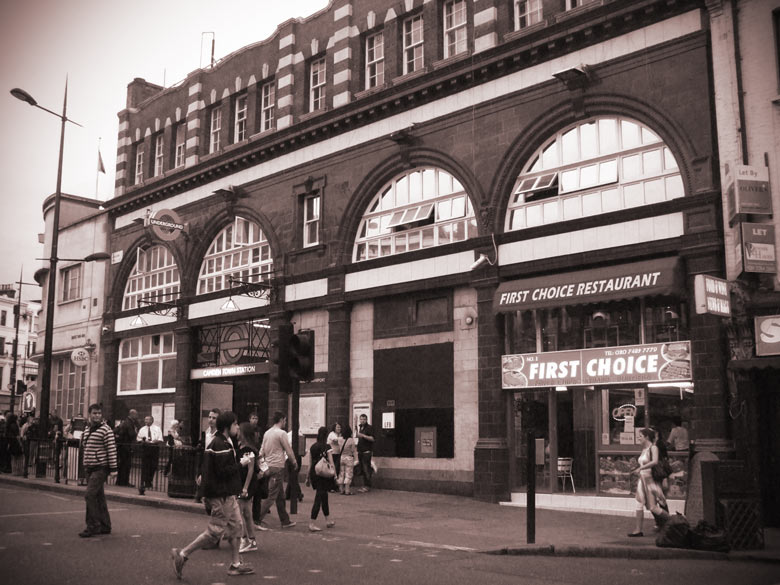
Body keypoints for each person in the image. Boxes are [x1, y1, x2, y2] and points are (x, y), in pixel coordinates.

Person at [171, 411, 254, 579]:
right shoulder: (220, 444)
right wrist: (242, 463)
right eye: (235, 424)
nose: (237, 427)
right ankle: (183, 554)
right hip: (221, 495)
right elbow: (223, 472)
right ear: (227, 427)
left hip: (228, 495)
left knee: (237, 527)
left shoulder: (223, 441)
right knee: (214, 532)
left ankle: (235, 564)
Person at [79, 404, 118, 537]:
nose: (97, 415)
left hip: (101, 467)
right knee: (99, 497)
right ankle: (105, 525)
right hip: (89, 467)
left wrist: (113, 469)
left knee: (89, 495)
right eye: (94, 413)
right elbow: (85, 447)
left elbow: (111, 450)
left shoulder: (106, 430)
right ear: (89, 414)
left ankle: (93, 526)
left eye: (99, 413)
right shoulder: (87, 429)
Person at [255, 411, 297, 530]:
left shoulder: (267, 433)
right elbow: (288, 449)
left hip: (269, 465)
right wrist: (294, 461)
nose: (285, 422)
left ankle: (285, 520)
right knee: (272, 496)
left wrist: (261, 464)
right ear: (282, 420)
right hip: (278, 466)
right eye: (285, 420)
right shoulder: (281, 433)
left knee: (280, 495)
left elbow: (262, 450)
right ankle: (257, 519)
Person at [628, 427, 669, 537]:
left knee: (652, 507)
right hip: (643, 479)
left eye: (640, 436)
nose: (639, 438)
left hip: (650, 480)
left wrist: (640, 468)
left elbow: (655, 461)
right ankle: (638, 530)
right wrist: (638, 469)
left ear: (646, 437)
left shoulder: (653, 447)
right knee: (639, 503)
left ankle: (673, 521)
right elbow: (643, 463)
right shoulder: (644, 449)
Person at [308, 426, 336, 532]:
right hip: (323, 474)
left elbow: (310, 463)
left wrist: (307, 477)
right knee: (319, 497)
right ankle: (312, 522)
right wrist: (334, 473)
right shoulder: (327, 446)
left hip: (314, 473)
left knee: (324, 496)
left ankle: (328, 519)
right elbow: (331, 461)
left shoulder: (313, 447)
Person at [236, 422, 259, 553]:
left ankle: (244, 539)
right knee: (247, 513)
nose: (237, 432)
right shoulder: (242, 446)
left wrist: (245, 488)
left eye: (239, 430)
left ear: (244, 434)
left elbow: (250, 470)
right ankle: (252, 539)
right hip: (245, 482)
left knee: (240, 512)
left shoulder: (248, 450)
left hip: (246, 484)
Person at [136, 415, 163, 495]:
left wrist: (156, 441)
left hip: (154, 448)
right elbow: (138, 439)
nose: (146, 421)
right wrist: (143, 441)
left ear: (152, 420)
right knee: (145, 465)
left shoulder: (157, 429)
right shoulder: (142, 429)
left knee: (153, 465)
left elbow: (160, 438)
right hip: (146, 448)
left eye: (147, 419)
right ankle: (146, 482)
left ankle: (149, 479)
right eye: (145, 419)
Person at [115, 409, 139, 487]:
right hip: (126, 447)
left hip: (122, 447)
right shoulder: (129, 423)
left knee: (122, 464)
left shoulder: (124, 422)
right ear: (132, 414)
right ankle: (124, 482)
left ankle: (119, 481)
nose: (137, 416)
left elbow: (115, 431)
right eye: (136, 414)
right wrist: (136, 432)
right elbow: (131, 434)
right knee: (126, 465)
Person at [337, 425, 358, 495]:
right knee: (348, 474)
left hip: (341, 457)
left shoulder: (339, 439)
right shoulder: (351, 440)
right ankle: (347, 490)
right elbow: (353, 451)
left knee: (341, 473)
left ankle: (341, 489)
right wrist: (356, 459)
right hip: (349, 458)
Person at [356, 414, 375, 492]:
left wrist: (363, 436)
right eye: (361, 419)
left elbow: (372, 438)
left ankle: (367, 486)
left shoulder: (369, 428)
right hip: (360, 451)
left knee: (366, 468)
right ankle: (364, 485)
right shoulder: (360, 427)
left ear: (366, 420)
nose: (362, 420)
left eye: (364, 419)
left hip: (366, 452)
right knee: (363, 469)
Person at [326, 422, 344, 488]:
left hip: (338, 454)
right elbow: (336, 440)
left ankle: (335, 484)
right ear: (334, 428)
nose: (339, 428)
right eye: (337, 427)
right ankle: (331, 485)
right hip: (332, 454)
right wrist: (342, 439)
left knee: (337, 469)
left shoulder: (340, 435)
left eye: (340, 427)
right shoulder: (332, 434)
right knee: (333, 469)